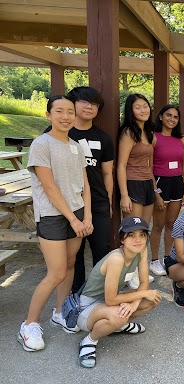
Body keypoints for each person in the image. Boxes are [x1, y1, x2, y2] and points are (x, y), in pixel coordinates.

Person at [18, 95, 93, 352]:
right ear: (49, 115)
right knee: (57, 271)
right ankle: (29, 324)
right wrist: (73, 219)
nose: (65, 116)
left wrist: (87, 217)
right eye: (59, 111)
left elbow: (85, 185)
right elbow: (49, 187)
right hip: (52, 215)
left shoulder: (77, 145)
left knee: (71, 264)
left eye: (70, 111)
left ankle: (60, 312)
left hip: (77, 214)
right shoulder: (41, 144)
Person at [76, 217, 161, 368]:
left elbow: (144, 283)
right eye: (132, 235)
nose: (138, 239)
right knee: (120, 314)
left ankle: (118, 326)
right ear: (122, 239)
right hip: (87, 308)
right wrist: (141, 295)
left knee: (152, 299)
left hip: (109, 302)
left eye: (142, 234)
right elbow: (110, 300)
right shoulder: (116, 258)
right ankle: (89, 340)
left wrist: (134, 305)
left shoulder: (141, 250)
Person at [66, 87, 114, 293]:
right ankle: (75, 293)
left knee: (102, 251)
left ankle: (96, 294)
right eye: (84, 102)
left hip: (98, 202)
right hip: (70, 204)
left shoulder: (103, 138)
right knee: (73, 254)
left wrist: (109, 203)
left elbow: (107, 174)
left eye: (94, 104)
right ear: (73, 104)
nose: (89, 106)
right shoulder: (59, 134)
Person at [117, 94, 157, 289]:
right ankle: (127, 274)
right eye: (138, 107)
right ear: (130, 111)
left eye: (145, 106)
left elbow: (149, 165)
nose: (143, 110)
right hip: (132, 184)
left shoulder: (149, 133)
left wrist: (155, 189)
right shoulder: (128, 133)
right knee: (133, 233)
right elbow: (121, 165)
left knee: (143, 231)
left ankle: (140, 272)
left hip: (147, 185)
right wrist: (124, 195)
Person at [149, 104, 184, 277]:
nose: (172, 119)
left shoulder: (182, 139)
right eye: (168, 115)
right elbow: (148, 167)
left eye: (175, 117)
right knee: (157, 224)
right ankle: (154, 261)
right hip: (160, 182)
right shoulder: (153, 137)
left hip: (177, 184)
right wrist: (155, 192)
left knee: (171, 224)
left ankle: (167, 257)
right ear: (160, 117)